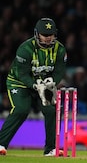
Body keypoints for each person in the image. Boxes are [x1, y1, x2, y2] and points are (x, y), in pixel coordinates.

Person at [0, 18, 67, 156]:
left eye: (51, 35)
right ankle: (1, 144)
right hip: (19, 82)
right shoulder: (25, 49)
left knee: (51, 110)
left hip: (44, 83)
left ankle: (50, 149)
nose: (48, 38)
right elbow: (22, 74)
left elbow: (59, 70)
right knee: (21, 110)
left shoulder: (60, 49)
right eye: (45, 35)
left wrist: (52, 81)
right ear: (37, 34)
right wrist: (36, 85)